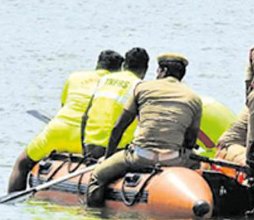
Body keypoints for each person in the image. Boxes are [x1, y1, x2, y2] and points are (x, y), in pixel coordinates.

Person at [86, 53, 203, 207]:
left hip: (139, 157)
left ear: (163, 70)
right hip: (173, 158)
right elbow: (190, 139)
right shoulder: (194, 98)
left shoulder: (142, 88)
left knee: (97, 177)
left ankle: (96, 215)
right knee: (197, 164)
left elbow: (119, 127)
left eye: (158, 71)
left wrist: (107, 157)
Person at [7, 50, 123, 193]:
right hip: (90, 141)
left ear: (98, 63)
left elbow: (63, 105)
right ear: (120, 69)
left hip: (58, 132)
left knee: (22, 163)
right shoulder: (118, 86)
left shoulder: (75, 77)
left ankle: (12, 204)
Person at [80, 47, 150, 159]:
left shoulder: (104, 79)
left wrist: (84, 149)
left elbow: (85, 117)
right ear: (145, 70)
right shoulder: (140, 86)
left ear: (124, 65)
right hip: (115, 151)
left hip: (89, 146)